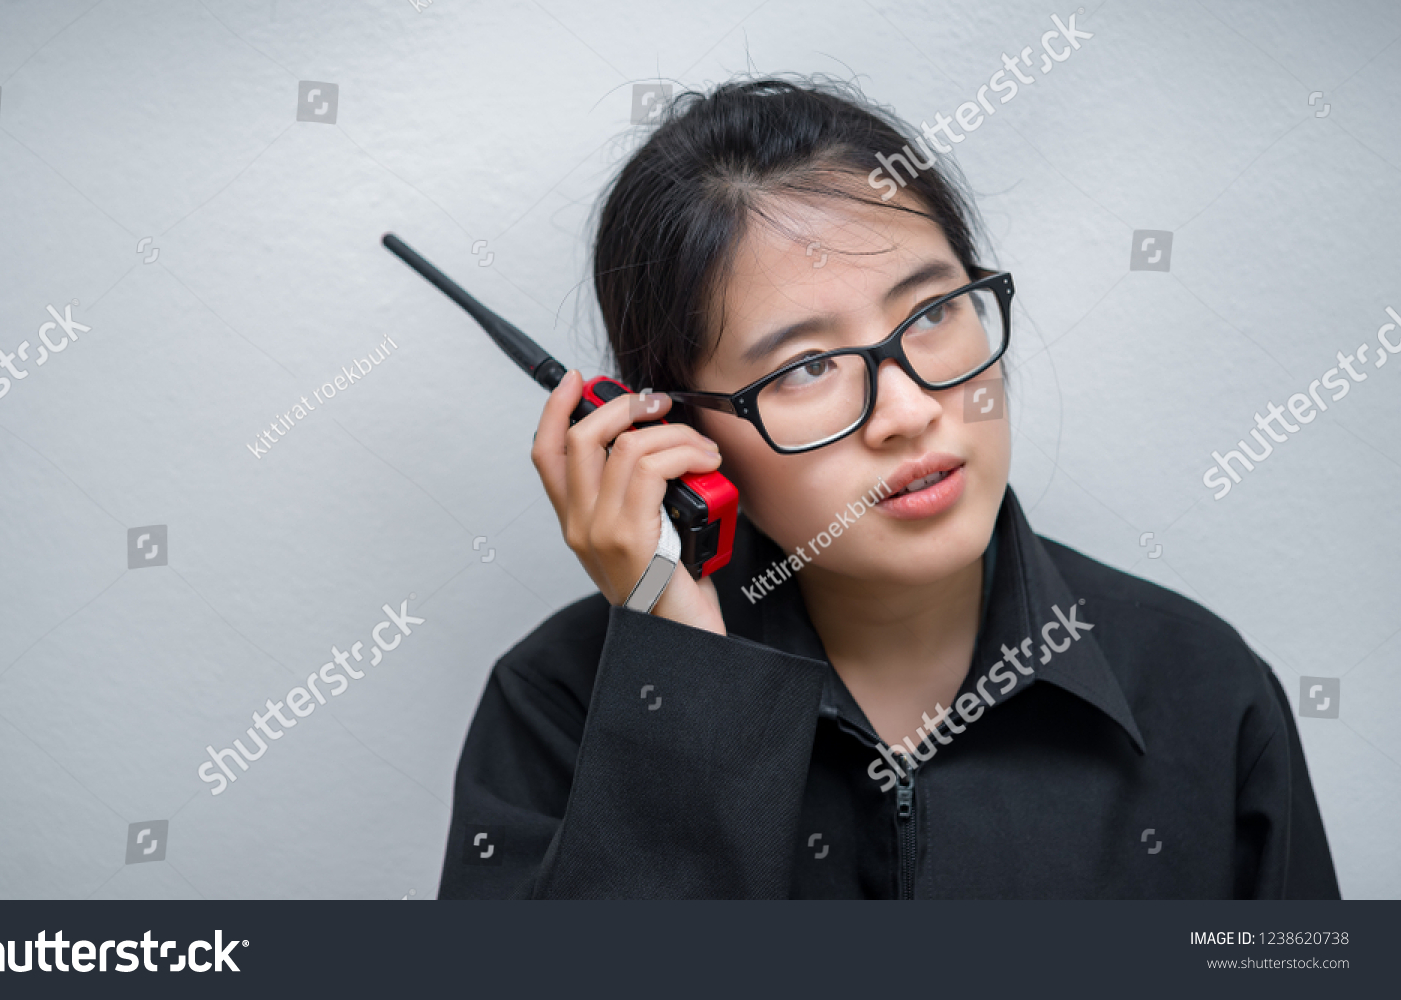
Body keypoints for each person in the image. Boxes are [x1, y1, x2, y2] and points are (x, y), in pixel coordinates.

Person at [436, 77, 1340, 898]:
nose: (907, 410)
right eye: (807, 367)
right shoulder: (555, 706)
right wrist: (682, 676)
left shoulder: (1206, 689)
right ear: (675, 433)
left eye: (933, 312)